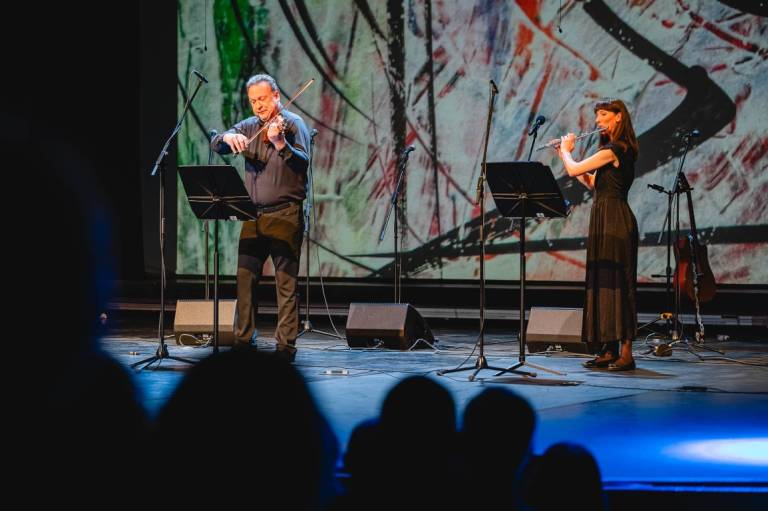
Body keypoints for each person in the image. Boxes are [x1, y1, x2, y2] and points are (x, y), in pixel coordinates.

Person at [211, 74, 310, 362]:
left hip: (286, 215)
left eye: (263, 99)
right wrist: (227, 137)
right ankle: (244, 343)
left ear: (276, 96)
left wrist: (280, 143)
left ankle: (285, 348)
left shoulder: (293, 125)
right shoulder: (249, 126)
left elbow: (302, 163)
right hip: (252, 216)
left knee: (286, 285)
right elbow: (217, 144)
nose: (258, 106)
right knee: (245, 281)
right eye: (253, 101)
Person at [555, 98, 639, 371]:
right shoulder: (609, 151)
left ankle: (626, 353)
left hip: (616, 220)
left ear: (618, 116)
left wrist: (567, 152)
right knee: (603, 283)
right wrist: (566, 156)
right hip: (603, 218)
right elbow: (593, 182)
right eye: (597, 115)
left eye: (603, 115)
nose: (598, 120)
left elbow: (574, 169)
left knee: (620, 285)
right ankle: (608, 349)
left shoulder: (617, 148)